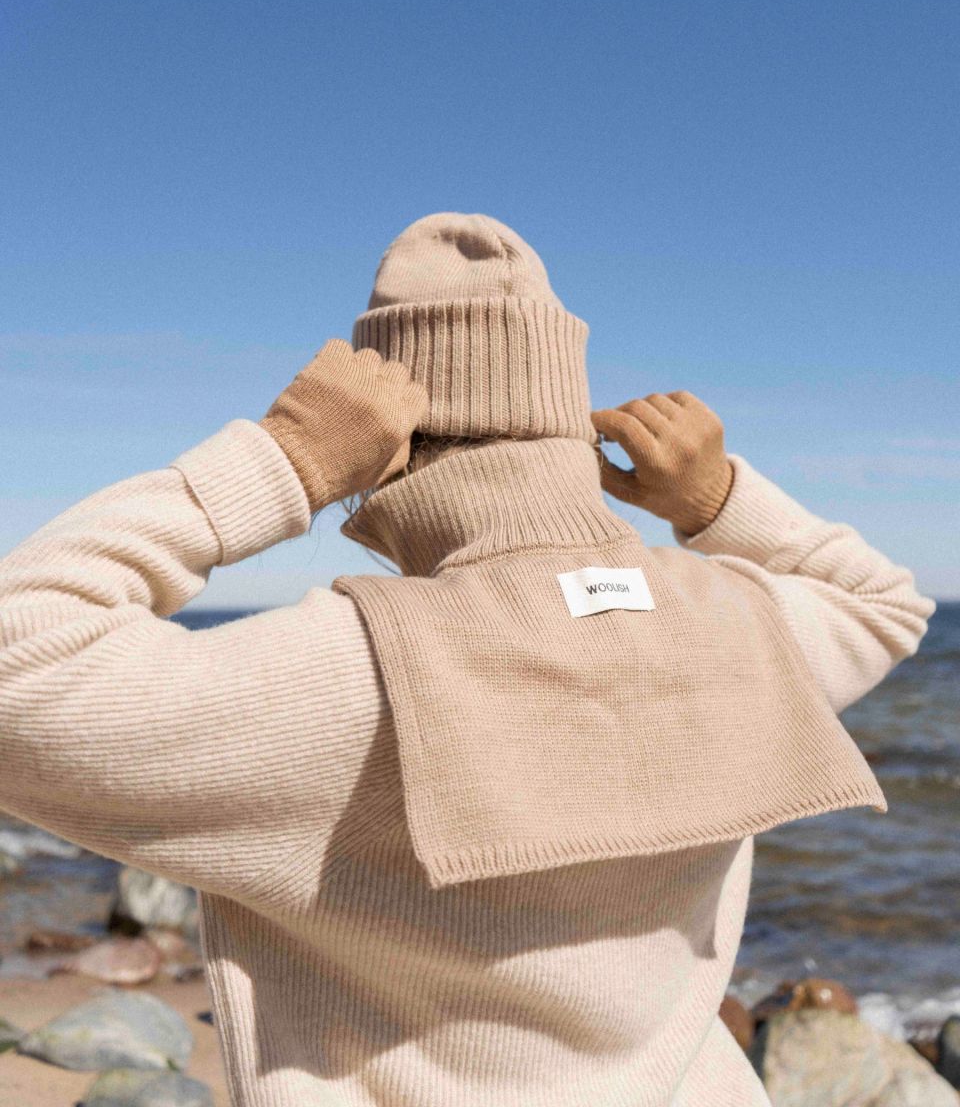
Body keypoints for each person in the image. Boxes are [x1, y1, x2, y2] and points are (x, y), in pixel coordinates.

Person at [0, 212, 934, 1107]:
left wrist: (281, 463)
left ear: (386, 449)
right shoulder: (743, 621)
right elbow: (884, 603)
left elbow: (18, 664)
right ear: (566, 425)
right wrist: (716, 498)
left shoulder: (353, 674)